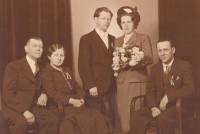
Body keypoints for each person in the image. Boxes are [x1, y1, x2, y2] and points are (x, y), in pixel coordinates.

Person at [41, 44, 113, 134]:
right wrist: (72, 101)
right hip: (59, 106)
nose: (59, 58)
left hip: (76, 103)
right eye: (56, 55)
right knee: (81, 118)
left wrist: (81, 99)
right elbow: (52, 93)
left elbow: (77, 88)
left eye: (62, 55)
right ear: (49, 57)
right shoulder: (46, 72)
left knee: (95, 115)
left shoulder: (67, 70)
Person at [130, 38, 195, 134]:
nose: (162, 54)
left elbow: (190, 88)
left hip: (178, 106)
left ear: (173, 50)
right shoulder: (155, 68)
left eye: (165, 50)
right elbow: (150, 91)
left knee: (162, 119)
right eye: (159, 51)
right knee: (136, 116)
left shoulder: (184, 66)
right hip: (158, 106)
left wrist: (169, 97)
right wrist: (153, 107)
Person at [2, 37, 59, 134]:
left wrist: (44, 94)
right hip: (13, 108)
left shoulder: (42, 68)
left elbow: (45, 87)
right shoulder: (14, 66)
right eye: (35, 46)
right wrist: (24, 111)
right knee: (21, 123)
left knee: (53, 119)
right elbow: (8, 94)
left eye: (40, 46)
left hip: (32, 107)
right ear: (26, 49)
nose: (38, 49)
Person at [114, 6, 153, 133]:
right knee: (123, 116)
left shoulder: (143, 37)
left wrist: (133, 61)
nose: (126, 25)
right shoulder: (117, 41)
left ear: (134, 22)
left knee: (136, 114)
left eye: (129, 22)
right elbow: (116, 60)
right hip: (121, 82)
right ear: (120, 24)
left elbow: (149, 58)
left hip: (137, 82)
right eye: (123, 22)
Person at [78, 7, 116, 126]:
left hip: (112, 85)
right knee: (97, 120)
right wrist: (91, 86)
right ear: (96, 19)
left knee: (110, 118)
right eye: (104, 18)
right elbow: (83, 65)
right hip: (95, 87)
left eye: (109, 19)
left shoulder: (113, 39)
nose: (107, 21)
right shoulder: (86, 38)